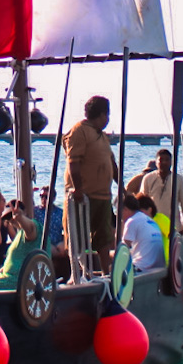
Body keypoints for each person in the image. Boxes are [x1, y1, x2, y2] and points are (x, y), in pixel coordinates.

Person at [63, 94, 117, 272]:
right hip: (84, 196)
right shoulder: (80, 131)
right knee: (76, 237)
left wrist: (121, 188)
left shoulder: (102, 136)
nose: (108, 119)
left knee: (104, 237)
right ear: (102, 115)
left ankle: (106, 272)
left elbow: (112, 164)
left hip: (103, 197)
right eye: (107, 115)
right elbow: (73, 162)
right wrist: (78, 189)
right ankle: (77, 273)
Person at [131, 147, 183, 260]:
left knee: (173, 254)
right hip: (153, 223)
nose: (164, 162)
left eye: (167, 160)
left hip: (173, 223)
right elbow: (142, 201)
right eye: (161, 160)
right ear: (156, 162)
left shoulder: (178, 179)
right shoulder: (148, 178)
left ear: (171, 162)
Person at [119, 192, 165, 270]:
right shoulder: (151, 221)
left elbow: (122, 251)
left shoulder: (132, 221)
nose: (120, 216)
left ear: (125, 209)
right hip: (159, 268)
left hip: (142, 268)